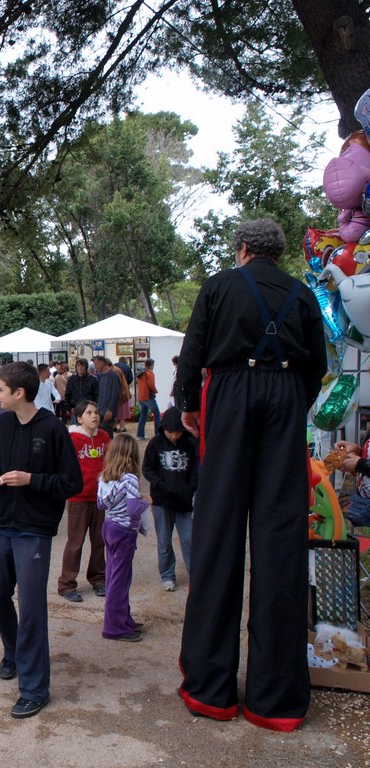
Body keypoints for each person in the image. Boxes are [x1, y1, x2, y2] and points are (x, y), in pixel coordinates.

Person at [177, 218, 326, 731]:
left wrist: (188, 407)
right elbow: (317, 367)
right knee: (280, 534)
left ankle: (211, 688)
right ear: (276, 253)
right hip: (285, 398)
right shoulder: (302, 294)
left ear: (241, 248)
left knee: (218, 530)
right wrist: (289, 408)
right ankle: (275, 699)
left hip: (231, 397)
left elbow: (193, 354)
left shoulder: (218, 286)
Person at [0, 362, 83, 719]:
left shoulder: (54, 429)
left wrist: (32, 480)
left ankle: (35, 689)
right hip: (2, 524)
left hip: (34, 530)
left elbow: (71, 483)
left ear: (19, 393)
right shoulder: (4, 423)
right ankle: (12, 651)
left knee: (31, 609)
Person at [97, 433, 149, 642]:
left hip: (109, 527)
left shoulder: (104, 477)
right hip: (124, 531)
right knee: (120, 581)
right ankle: (114, 626)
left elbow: (101, 504)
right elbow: (133, 509)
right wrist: (146, 502)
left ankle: (123, 618)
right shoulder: (130, 479)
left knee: (113, 577)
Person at [58, 401, 110, 603]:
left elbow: (111, 461)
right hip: (79, 498)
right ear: (79, 418)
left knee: (99, 541)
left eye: (96, 412)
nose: (94, 416)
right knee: (75, 542)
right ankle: (67, 584)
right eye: (89, 413)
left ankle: (98, 578)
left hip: (100, 498)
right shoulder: (72, 439)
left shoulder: (104, 437)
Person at [141, 407, 197, 592]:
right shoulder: (155, 444)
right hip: (161, 501)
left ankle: (195, 575)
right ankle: (167, 575)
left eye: (177, 432)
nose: (174, 436)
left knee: (189, 539)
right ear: (163, 429)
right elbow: (147, 468)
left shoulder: (189, 444)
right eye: (170, 432)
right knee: (164, 540)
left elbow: (196, 470)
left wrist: (190, 489)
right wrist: (161, 485)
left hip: (184, 501)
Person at [92, 357, 119, 437]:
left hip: (108, 410)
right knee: (101, 433)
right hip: (101, 409)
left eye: (96, 364)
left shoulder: (113, 375)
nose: (95, 367)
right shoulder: (101, 376)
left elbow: (115, 393)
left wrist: (110, 410)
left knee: (107, 433)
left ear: (102, 363)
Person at [135, 359, 160, 440]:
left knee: (143, 415)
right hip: (148, 396)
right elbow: (151, 384)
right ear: (151, 365)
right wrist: (155, 391)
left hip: (141, 397)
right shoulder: (149, 373)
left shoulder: (140, 373)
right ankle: (158, 434)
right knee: (157, 414)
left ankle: (140, 435)